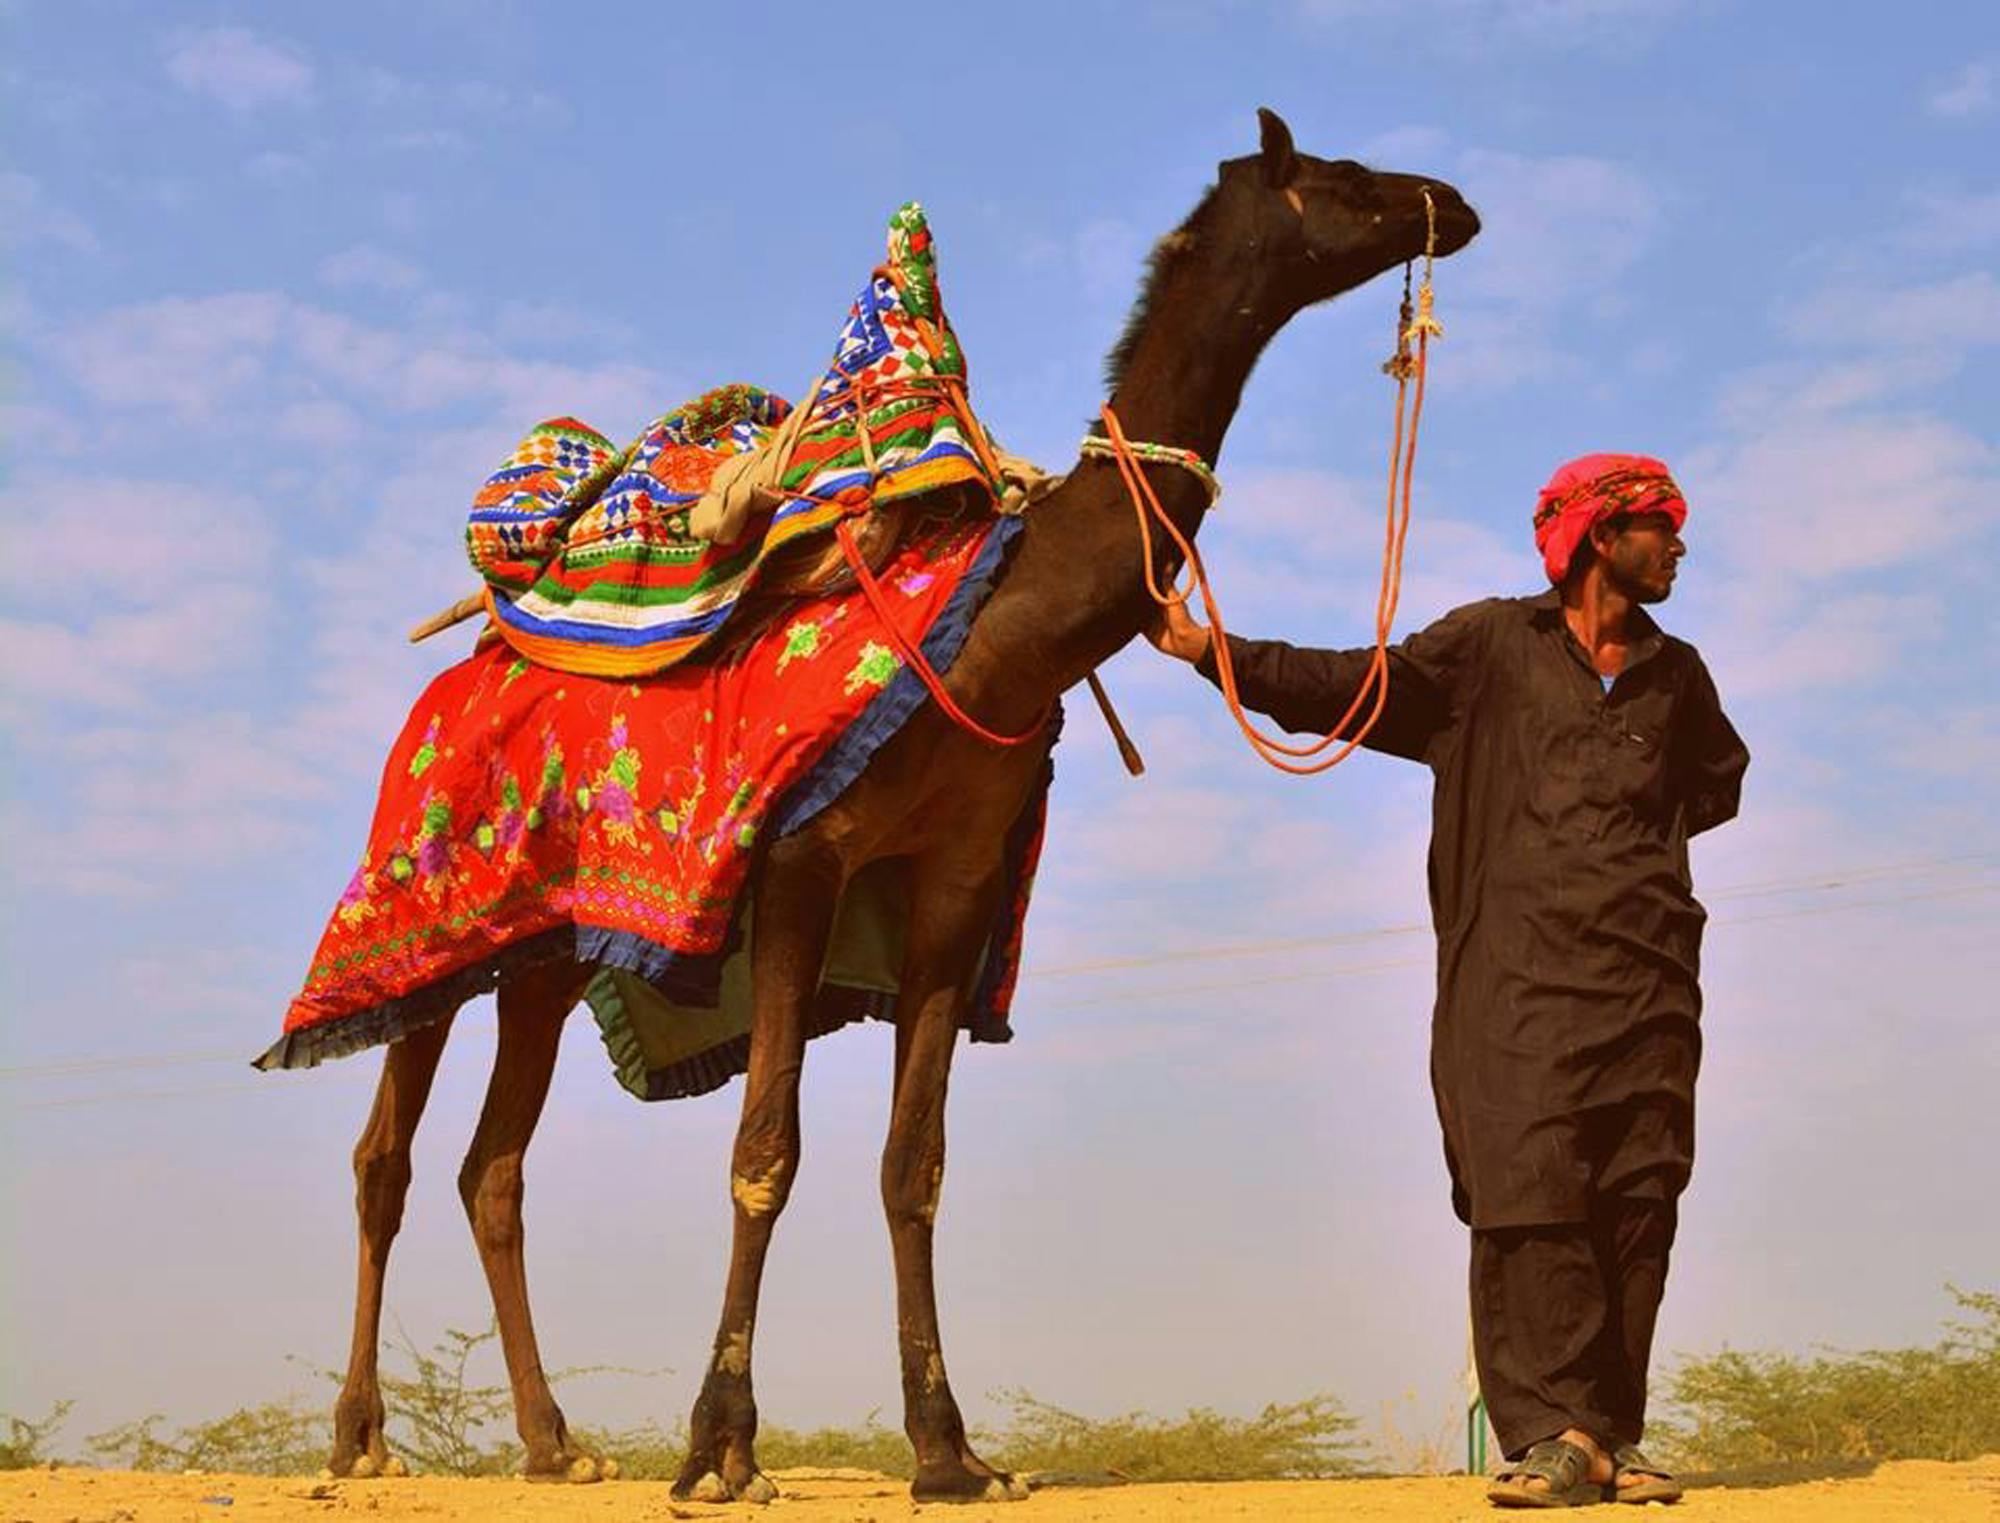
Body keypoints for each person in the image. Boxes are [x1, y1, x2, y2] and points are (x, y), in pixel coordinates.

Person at [1149, 453, 1748, 1508]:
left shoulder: (1677, 675)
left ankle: (1613, 1432)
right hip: (1513, 985)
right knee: (1531, 1195)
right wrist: (1208, 650)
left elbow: (1711, 785)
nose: (1679, 544)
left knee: (1637, 1198)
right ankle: (1551, 1433)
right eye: (1661, 526)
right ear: (1598, 538)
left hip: (1651, 988)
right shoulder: (1484, 648)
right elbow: (1346, 684)